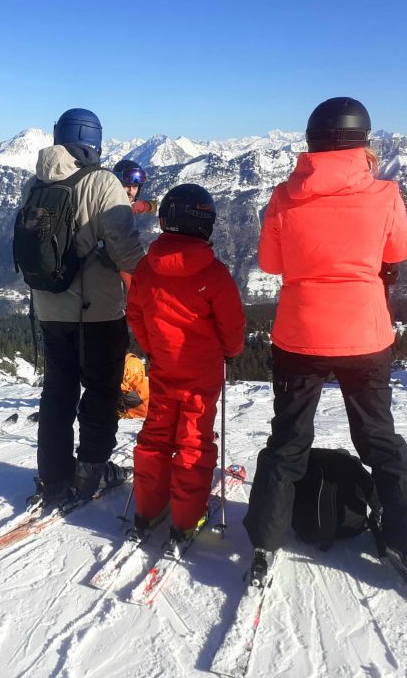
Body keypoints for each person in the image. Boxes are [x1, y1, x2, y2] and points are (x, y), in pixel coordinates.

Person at [243, 97, 407, 588]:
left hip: (300, 333)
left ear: (311, 143)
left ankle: (264, 540)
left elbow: (270, 263)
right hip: (364, 335)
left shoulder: (285, 195)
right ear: (363, 142)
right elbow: (400, 251)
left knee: (288, 441)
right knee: (380, 440)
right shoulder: (385, 193)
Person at [26, 108, 145, 507]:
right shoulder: (102, 182)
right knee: (101, 390)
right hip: (97, 312)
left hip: (49, 308)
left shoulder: (35, 184)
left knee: (57, 393)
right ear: (95, 141)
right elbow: (126, 251)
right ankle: (90, 471)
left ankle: (53, 476)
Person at [126, 184, 245, 554]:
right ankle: (185, 518)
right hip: (202, 373)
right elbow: (232, 327)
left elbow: (136, 315)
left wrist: (154, 349)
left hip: (164, 365)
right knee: (193, 439)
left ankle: (148, 509)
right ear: (205, 224)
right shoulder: (214, 273)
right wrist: (230, 353)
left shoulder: (146, 268)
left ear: (165, 221)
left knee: (157, 433)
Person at [118, 353, 149, 419]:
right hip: (145, 400)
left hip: (139, 404)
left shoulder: (128, 365)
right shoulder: (138, 362)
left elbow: (125, 386)